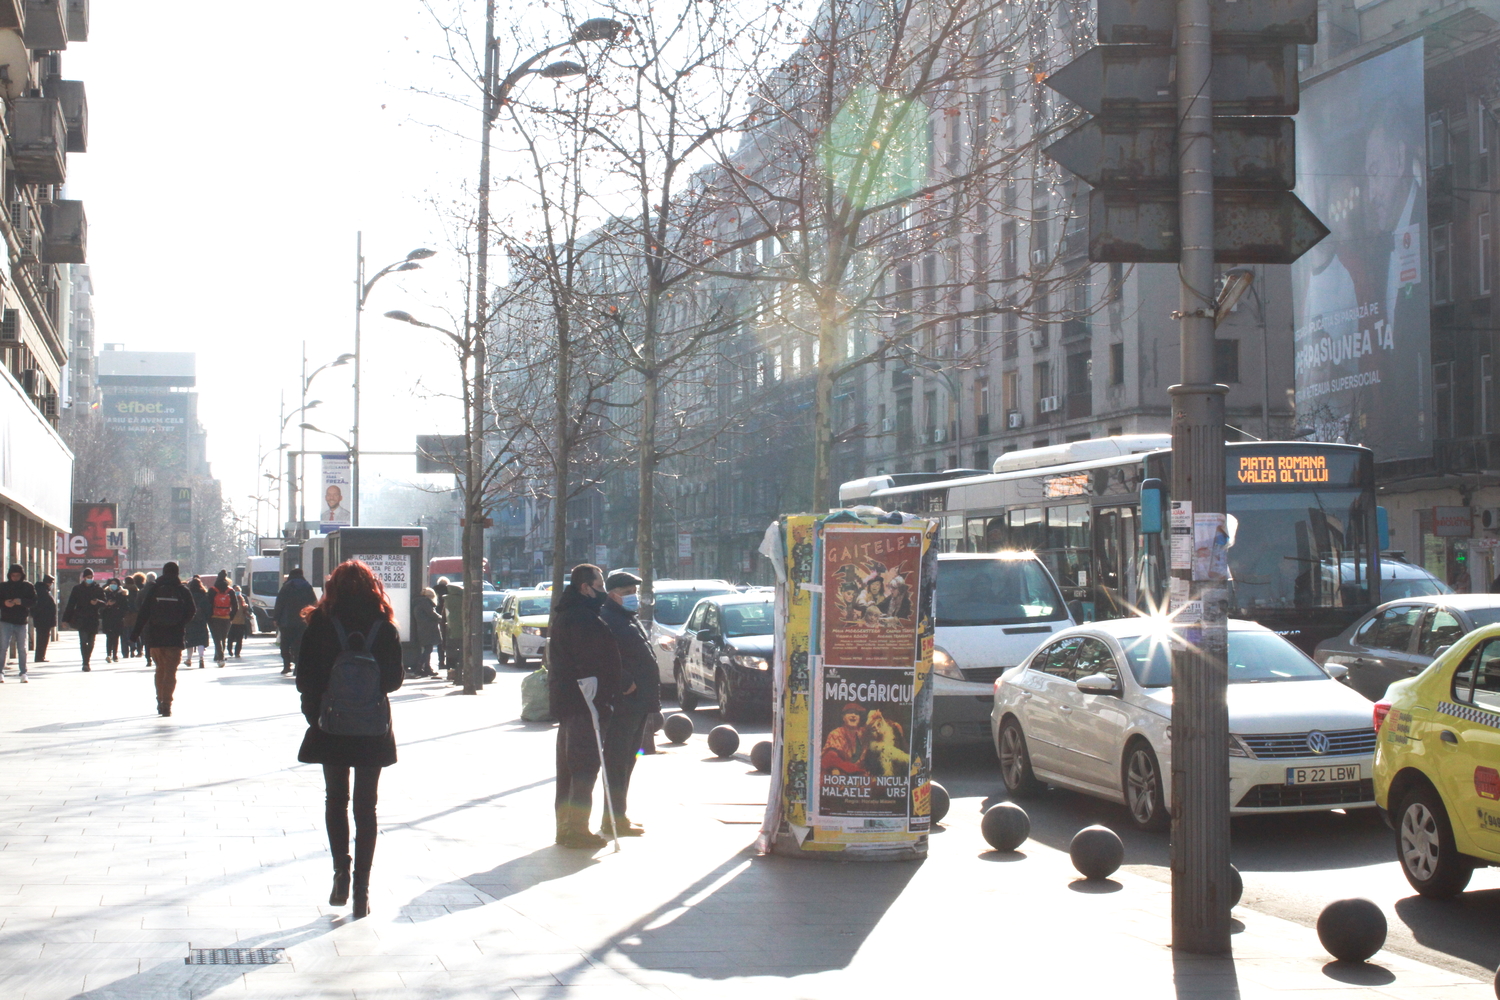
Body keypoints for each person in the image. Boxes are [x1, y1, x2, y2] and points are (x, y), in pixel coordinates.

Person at [294, 559, 403, 919]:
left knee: (335, 799)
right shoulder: (383, 626)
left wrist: (316, 713)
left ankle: (341, 871)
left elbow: (304, 677)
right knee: (366, 808)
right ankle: (362, 889)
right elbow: (393, 681)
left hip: (332, 725)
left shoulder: (321, 623)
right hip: (371, 727)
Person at [547, 563, 623, 849]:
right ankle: (576, 829)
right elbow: (591, 661)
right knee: (583, 765)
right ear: (585, 587)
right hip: (584, 704)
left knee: (570, 766)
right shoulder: (582, 618)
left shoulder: (574, 614)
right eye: (600, 584)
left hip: (573, 703)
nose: (603, 589)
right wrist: (602, 692)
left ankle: (566, 827)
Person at [598, 571, 659, 837]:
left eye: (634, 592)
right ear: (612, 594)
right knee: (617, 760)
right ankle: (613, 818)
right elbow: (603, 656)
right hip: (625, 702)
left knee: (627, 759)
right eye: (627, 593)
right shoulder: (609, 618)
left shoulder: (626, 617)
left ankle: (618, 815)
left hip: (638, 702)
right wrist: (625, 682)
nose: (633, 597)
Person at [131, 562, 197, 717]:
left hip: (155, 636)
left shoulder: (153, 589)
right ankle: (167, 702)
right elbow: (192, 611)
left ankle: (159, 699)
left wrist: (135, 635)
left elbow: (143, 612)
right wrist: (180, 623)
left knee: (159, 669)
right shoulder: (182, 590)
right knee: (171, 672)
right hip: (175, 637)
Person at [274, 568, 317, 676]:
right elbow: (313, 603)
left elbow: (279, 603)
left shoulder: (286, 586)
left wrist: (276, 618)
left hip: (286, 621)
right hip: (302, 621)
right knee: (299, 645)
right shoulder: (307, 586)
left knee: (285, 644)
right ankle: (298, 667)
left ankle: (286, 665)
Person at [62, 568, 105, 672]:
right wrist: (65, 620)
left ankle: (87, 659)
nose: (89, 579)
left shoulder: (98, 589)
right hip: (81, 618)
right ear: (83, 578)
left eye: (91, 577)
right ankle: (85, 662)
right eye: (87, 577)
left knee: (91, 642)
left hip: (93, 618)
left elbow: (104, 602)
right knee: (83, 641)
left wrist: (97, 602)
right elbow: (71, 604)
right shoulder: (77, 589)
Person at [0, 564, 36, 683]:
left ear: (22, 575)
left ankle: (23, 672)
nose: (15, 578)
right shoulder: (3, 586)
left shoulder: (27, 586)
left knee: (22, 648)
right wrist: (5, 603)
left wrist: (21, 602)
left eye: (17, 575)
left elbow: (34, 601)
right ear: (10, 575)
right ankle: (0, 672)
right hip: (6, 620)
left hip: (21, 621)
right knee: (3, 647)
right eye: (13, 575)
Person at [207, 570, 239, 665]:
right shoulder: (230, 591)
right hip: (226, 617)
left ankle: (219, 657)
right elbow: (235, 606)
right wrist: (231, 616)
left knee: (216, 638)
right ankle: (219, 655)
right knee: (223, 638)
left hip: (214, 617)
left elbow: (208, 604)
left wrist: (209, 617)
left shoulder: (212, 590)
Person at [412, 587, 443, 677]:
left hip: (422, 628)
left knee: (427, 648)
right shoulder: (425, 603)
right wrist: (441, 618)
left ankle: (427, 668)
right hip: (428, 628)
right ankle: (420, 667)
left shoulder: (419, 602)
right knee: (428, 649)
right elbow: (432, 614)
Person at [99, 577, 127, 663]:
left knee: (116, 637)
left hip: (118, 618)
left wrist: (117, 606)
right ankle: (109, 654)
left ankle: (115, 654)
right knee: (109, 637)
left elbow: (125, 607)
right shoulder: (105, 593)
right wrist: (107, 604)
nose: (113, 585)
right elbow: (101, 607)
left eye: (115, 583)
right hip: (108, 618)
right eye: (112, 583)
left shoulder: (122, 594)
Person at [186, 575, 211, 668]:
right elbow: (208, 609)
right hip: (201, 621)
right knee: (201, 640)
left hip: (190, 621)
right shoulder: (204, 595)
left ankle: (189, 659)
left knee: (190, 641)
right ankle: (201, 658)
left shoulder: (188, 595)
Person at [31, 575, 55, 663]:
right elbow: (41, 606)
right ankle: (39, 657)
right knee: (42, 638)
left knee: (43, 638)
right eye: (51, 583)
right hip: (43, 620)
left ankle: (41, 656)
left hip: (44, 620)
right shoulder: (42, 591)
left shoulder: (44, 590)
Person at [121, 574, 144, 658]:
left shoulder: (123, 591)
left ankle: (126, 652)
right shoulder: (137, 591)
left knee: (125, 633)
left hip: (126, 614)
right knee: (136, 633)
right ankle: (139, 650)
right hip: (135, 614)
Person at [228, 587, 252, 658]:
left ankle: (237, 653)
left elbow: (249, 610)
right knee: (230, 639)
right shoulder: (230, 599)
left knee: (239, 639)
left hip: (241, 622)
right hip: (232, 622)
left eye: (238, 591)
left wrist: (246, 609)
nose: (237, 592)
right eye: (235, 591)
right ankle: (229, 650)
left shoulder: (242, 599)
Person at [432, 577, 449, 672]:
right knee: (447, 640)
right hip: (446, 617)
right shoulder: (448, 591)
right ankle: (448, 661)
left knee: (440, 642)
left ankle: (441, 662)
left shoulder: (434, 590)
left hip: (436, 618)